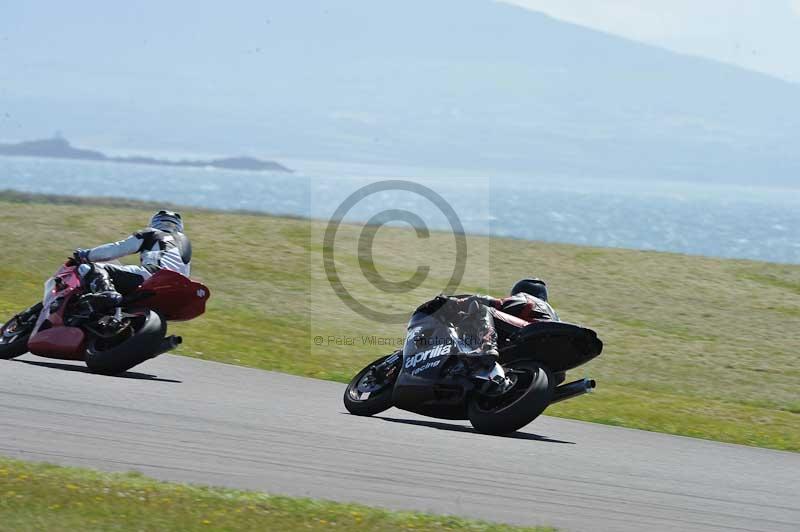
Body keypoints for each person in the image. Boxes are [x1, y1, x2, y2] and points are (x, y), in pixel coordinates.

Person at [71, 210, 192, 311]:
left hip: (154, 276)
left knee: (90, 268)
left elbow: (118, 249)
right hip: (179, 288)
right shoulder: (186, 243)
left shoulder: (152, 233)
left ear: (155, 222)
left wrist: (86, 255)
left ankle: (107, 293)